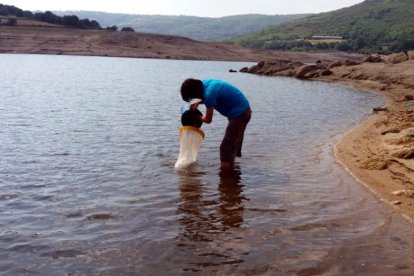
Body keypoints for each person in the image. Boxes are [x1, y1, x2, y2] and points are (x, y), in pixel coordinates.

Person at [180, 78, 251, 171]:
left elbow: (208, 119)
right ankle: (234, 174)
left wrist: (196, 117)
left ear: (195, 93)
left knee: (226, 148)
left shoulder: (209, 96)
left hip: (240, 115)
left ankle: (225, 175)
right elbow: (205, 97)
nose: (193, 101)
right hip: (242, 109)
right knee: (233, 144)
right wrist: (198, 101)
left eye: (192, 98)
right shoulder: (204, 83)